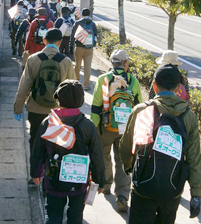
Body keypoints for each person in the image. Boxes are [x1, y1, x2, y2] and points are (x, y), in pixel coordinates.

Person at [119, 63, 201, 224]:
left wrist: (129, 165)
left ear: (154, 86)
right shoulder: (188, 116)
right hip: (173, 190)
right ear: (178, 87)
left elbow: (126, 146)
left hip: (143, 186)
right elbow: (194, 158)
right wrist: (196, 194)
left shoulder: (142, 110)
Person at [30, 79, 105, 224]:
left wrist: (36, 172)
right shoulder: (87, 125)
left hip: (54, 180)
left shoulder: (49, 122)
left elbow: (38, 151)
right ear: (81, 100)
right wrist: (100, 180)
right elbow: (96, 154)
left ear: (58, 99)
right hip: (79, 181)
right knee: (76, 216)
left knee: (53, 214)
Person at [91, 49, 142, 212]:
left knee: (104, 155)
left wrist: (94, 129)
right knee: (123, 160)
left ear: (113, 63)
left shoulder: (103, 79)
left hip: (106, 126)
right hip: (125, 129)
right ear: (125, 63)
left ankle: (106, 184)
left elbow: (96, 106)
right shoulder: (133, 81)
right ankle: (122, 195)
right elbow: (139, 106)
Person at [14, 28, 76, 156]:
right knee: (56, 143)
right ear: (59, 42)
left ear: (44, 40)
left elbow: (24, 86)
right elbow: (73, 88)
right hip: (58, 112)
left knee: (35, 140)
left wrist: (18, 108)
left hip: (36, 109)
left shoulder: (33, 59)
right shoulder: (66, 62)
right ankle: (50, 172)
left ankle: (35, 173)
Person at [70, 8, 97, 91]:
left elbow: (73, 35)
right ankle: (86, 84)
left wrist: (71, 46)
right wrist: (93, 45)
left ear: (82, 14)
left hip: (79, 47)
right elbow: (95, 36)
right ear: (89, 14)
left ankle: (76, 82)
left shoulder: (78, 23)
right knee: (87, 66)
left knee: (77, 65)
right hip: (89, 48)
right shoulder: (92, 24)